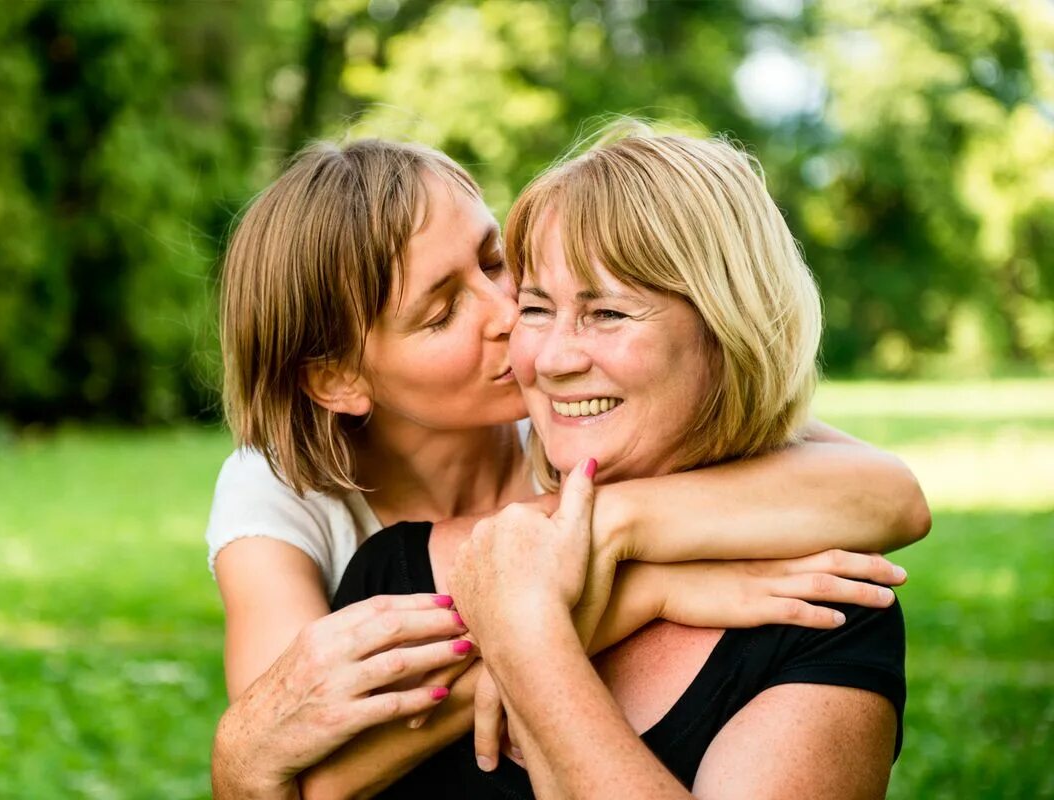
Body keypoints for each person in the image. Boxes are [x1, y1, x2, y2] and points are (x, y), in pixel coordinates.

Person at [208, 138, 930, 799]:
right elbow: (293, 755)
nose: (510, 316)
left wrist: (608, 527)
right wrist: (639, 593)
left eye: (497, 264)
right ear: (336, 379)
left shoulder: (569, 413)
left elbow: (888, 492)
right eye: (440, 312)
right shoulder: (283, 496)